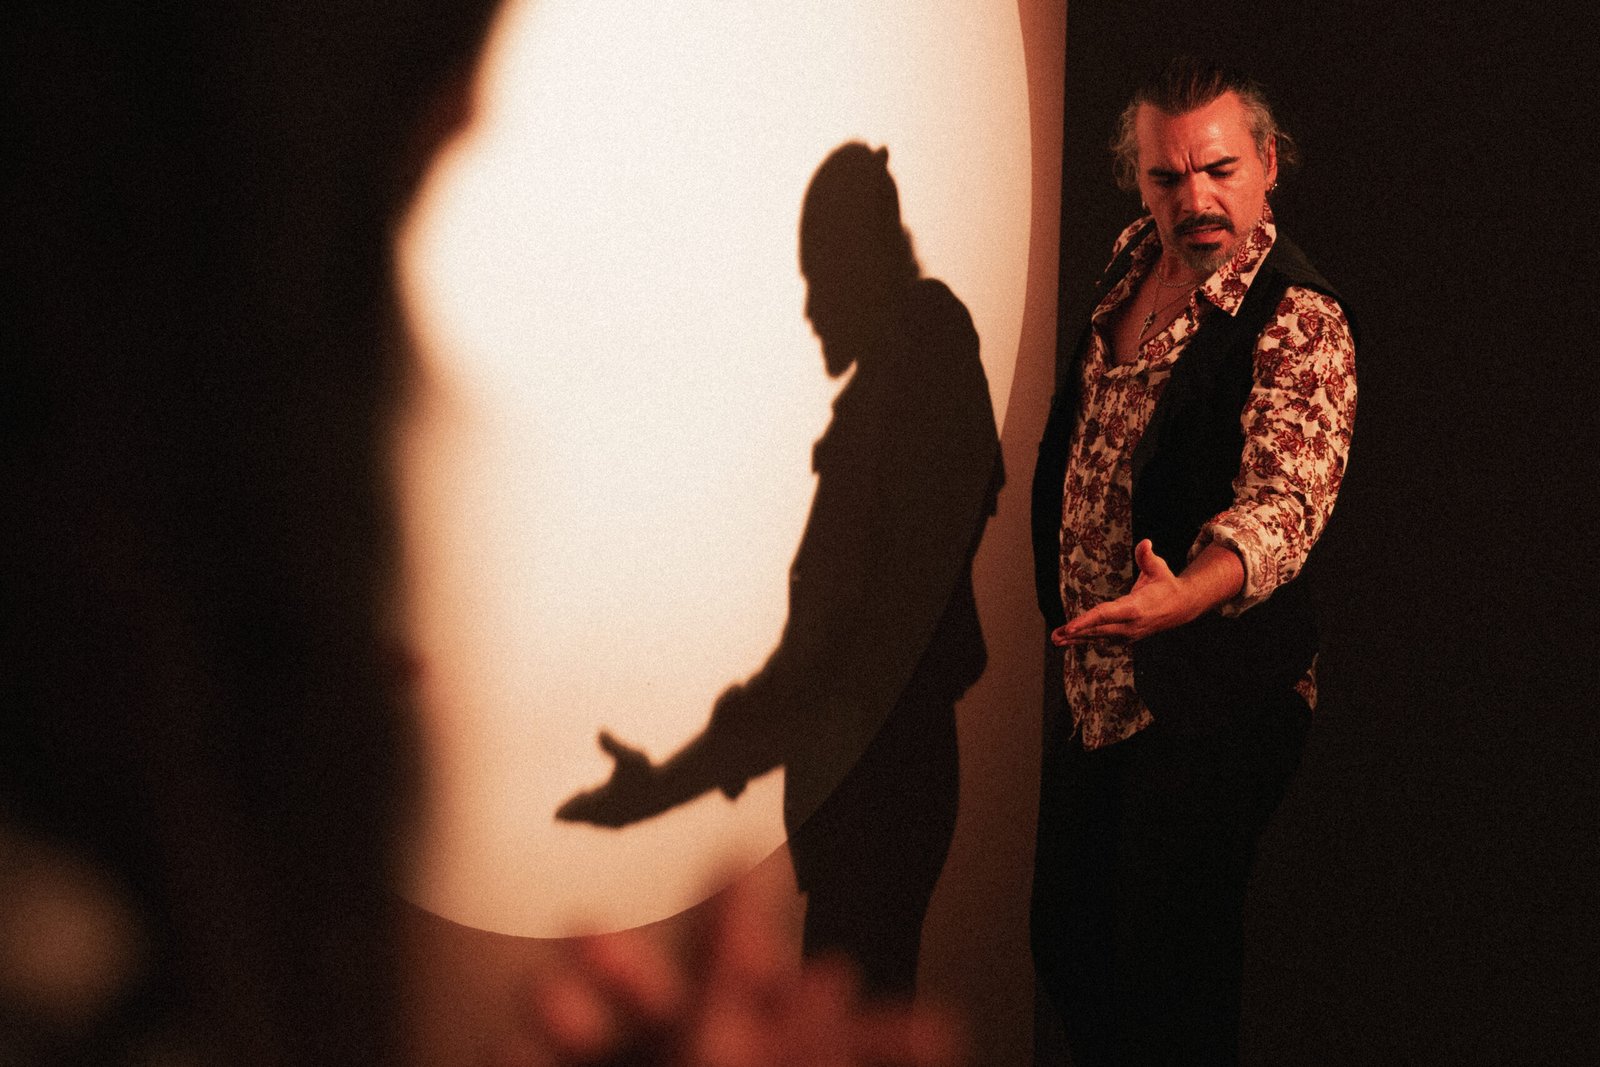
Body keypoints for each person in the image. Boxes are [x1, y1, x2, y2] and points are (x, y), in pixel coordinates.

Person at [559, 143, 1002, 1000]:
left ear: (862, 261)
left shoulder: (911, 380)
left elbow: (818, 662)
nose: (809, 306)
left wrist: (661, 787)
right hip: (883, 785)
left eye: (819, 275)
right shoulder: (923, 371)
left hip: (878, 793)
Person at [1027, 57, 1357, 1066]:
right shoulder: (1134, 260)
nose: (1195, 199)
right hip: (1102, 685)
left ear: (1268, 163)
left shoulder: (1298, 315)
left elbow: (1283, 506)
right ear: (1138, 180)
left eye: (1219, 169)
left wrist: (1186, 595)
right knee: (1069, 946)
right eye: (1167, 177)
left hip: (1214, 691)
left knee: (1168, 987)